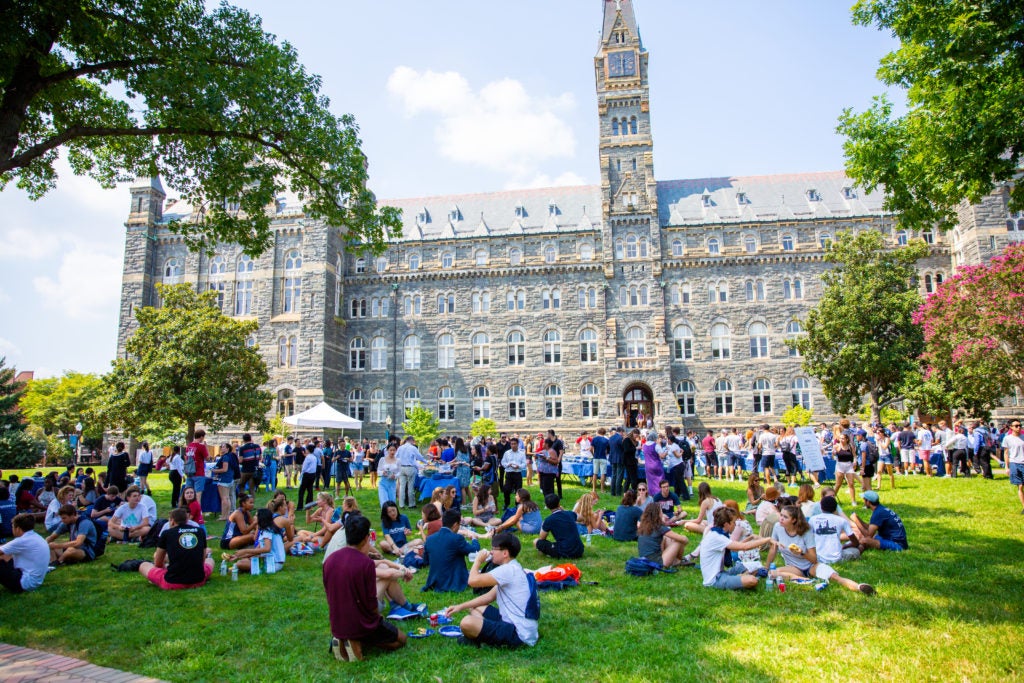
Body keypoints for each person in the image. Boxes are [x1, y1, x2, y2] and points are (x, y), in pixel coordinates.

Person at [323, 515, 410, 662]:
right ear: (366, 538)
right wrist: (378, 620)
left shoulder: (330, 560)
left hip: (336, 622)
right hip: (362, 623)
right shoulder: (365, 564)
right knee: (401, 639)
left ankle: (343, 639)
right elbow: (371, 604)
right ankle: (356, 643)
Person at [444, 532, 539, 648]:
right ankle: (483, 634)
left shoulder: (507, 570)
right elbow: (488, 597)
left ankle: (483, 638)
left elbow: (472, 581)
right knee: (476, 608)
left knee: (466, 622)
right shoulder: (513, 567)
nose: (491, 552)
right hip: (516, 623)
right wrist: (460, 606)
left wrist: (478, 561)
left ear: (505, 553)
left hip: (519, 634)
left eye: (494, 549)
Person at [766, 505, 874, 594]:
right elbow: (773, 548)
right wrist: (766, 568)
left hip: (811, 566)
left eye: (785, 517)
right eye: (781, 515)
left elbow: (813, 559)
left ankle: (858, 587)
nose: (781, 519)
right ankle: (806, 581)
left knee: (835, 577)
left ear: (793, 520)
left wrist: (801, 552)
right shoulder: (777, 527)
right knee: (773, 573)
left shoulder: (805, 531)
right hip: (793, 568)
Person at [697, 507, 773, 590]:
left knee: (754, 566)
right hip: (715, 580)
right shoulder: (717, 537)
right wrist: (767, 539)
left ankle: (741, 576)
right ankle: (742, 577)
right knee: (752, 581)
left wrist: (750, 537)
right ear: (726, 524)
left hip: (722, 573)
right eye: (733, 522)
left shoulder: (718, 533)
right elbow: (744, 547)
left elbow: (736, 547)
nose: (735, 525)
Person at [138, 507, 214, 589]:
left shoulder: (167, 533)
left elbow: (158, 563)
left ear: (172, 521)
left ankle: (165, 574)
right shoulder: (200, 531)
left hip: (172, 582)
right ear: (187, 520)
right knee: (210, 560)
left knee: (143, 565)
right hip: (198, 580)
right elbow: (202, 560)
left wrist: (164, 569)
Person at [422, 509, 481, 592]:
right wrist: (475, 539)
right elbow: (474, 550)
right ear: (455, 525)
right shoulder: (457, 538)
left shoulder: (430, 539)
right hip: (453, 582)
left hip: (434, 582)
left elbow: (425, 561)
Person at [0, 514, 50, 593]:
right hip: (34, 580)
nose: (12, 529)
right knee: (4, 556)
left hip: (25, 583)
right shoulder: (35, 536)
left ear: (18, 529)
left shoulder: (21, 541)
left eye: (12, 527)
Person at [809, 495, 861, 563]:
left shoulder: (812, 519)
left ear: (821, 508)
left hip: (818, 556)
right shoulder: (841, 520)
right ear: (835, 508)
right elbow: (855, 542)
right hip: (837, 558)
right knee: (856, 551)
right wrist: (845, 546)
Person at [637, 501, 689, 568]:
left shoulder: (644, 526)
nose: (662, 513)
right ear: (658, 514)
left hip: (645, 560)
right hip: (658, 563)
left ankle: (674, 559)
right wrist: (684, 538)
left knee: (666, 537)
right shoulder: (659, 527)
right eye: (661, 512)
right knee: (679, 540)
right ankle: (678, 560)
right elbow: (684, 539)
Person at [534, 494, 584, 559]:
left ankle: (547, 554)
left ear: (547, 506)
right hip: (579, 550)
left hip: (565, 551)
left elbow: (542, 538)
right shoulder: (569, 513)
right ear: (559, 503)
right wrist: (565, 511)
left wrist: (543, 525)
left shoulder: (549, 520)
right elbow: (581, 518)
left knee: (536, 541)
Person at [396, 436, 424, 509]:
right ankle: (411, 504)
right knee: (410, 487)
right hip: (410, 468)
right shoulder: (413, 448)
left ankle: (401, 504)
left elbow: (396, 457)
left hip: (401, 467)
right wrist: (426, 462)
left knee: (402, 487)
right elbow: (419, 456)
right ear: (411, 440)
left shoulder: (400, 448)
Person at [212, 443, 237, 521]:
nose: (221, 448)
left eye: (223, 447)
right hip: (230, 478)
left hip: (224, 479)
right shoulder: (231, 456)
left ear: (227, 449)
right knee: (227, 498)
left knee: (224, 498)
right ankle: (227, 514)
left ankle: (223, 515)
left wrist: (214, 470)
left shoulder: (225, 457)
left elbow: (224, 469)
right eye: (221, 447)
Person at [185, 430, 210, 507]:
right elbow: (208, 458)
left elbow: (186, 458)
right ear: (202, 437)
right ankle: (198, 515)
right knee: (198, 496)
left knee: (189, 495)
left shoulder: (189, 446)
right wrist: (206, 447)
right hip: (199, 472)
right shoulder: (201, 446)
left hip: (189, 472)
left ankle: (188, 512)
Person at [501, 437, 527, 510]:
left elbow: (524, 464)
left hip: (517, 473)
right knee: (506, 489)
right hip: (509, 473)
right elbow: (503, 462)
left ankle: (518, 505)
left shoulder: (521, 453)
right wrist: (507, 465)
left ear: (518, 444)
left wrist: (519, 466)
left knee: (518, 491)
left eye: (515, 444)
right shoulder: (507, 453)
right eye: (512, 444)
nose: (513, 445)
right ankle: (506, 503)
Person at [1004, 420, 1024, 513]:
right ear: (1011, 427)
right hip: (1014, 463)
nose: (1019, 427)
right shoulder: (1007, 439)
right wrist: (1007, 467)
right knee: (1020, 486)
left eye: (1020, 425)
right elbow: (1006, 453)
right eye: (1016, 426)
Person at [236, 433, 262, 498]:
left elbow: (241, 460)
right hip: (254, 470)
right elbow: (260, 458)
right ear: (250, 438)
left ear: (243, 440)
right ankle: (251, 503)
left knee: (241, 485)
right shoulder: (257, 446)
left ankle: (243, 501)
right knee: (252, 488)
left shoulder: (242, 448)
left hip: (245, 470)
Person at [377, 444, 400, 508]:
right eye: (391, 450)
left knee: (392, 502)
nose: (392, 452)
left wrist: (395, 476)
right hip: (383, 483)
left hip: (392, 484)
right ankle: (384, 516)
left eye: (394, 450)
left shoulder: (398, 461)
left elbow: (400, 472)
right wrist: (382, 472)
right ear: (387, 451)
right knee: (384, 501)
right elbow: (378, 471)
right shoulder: (382, 459)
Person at [298, 444, 319, 508]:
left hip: (307, 474)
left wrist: (301, 475)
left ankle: (300, 506)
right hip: (313, 474)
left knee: (302, 491)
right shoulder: (314, 457)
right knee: (310, 490)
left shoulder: (308, 457)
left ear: (308, 450)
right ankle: (309, 504)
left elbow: (304, 468)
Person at [591, 428, 610, 496]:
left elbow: (591, 448)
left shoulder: (594, 439)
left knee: (595, 473)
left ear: (598, 432)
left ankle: (594, 489)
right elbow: (608, 450)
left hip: (596, 457)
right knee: (603, 474)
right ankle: (602, 489)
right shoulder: (606, 440)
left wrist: (593, 454)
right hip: (603, 458)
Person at [608, 427, 625, 497]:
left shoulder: (611, 438)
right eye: (623, 432)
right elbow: (623, 447)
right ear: (621, 432)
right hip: (619, 458)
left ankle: (612, 492)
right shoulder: (620, 438)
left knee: (613, 475)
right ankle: (618, 492)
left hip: (612, 458)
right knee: (619, 476)